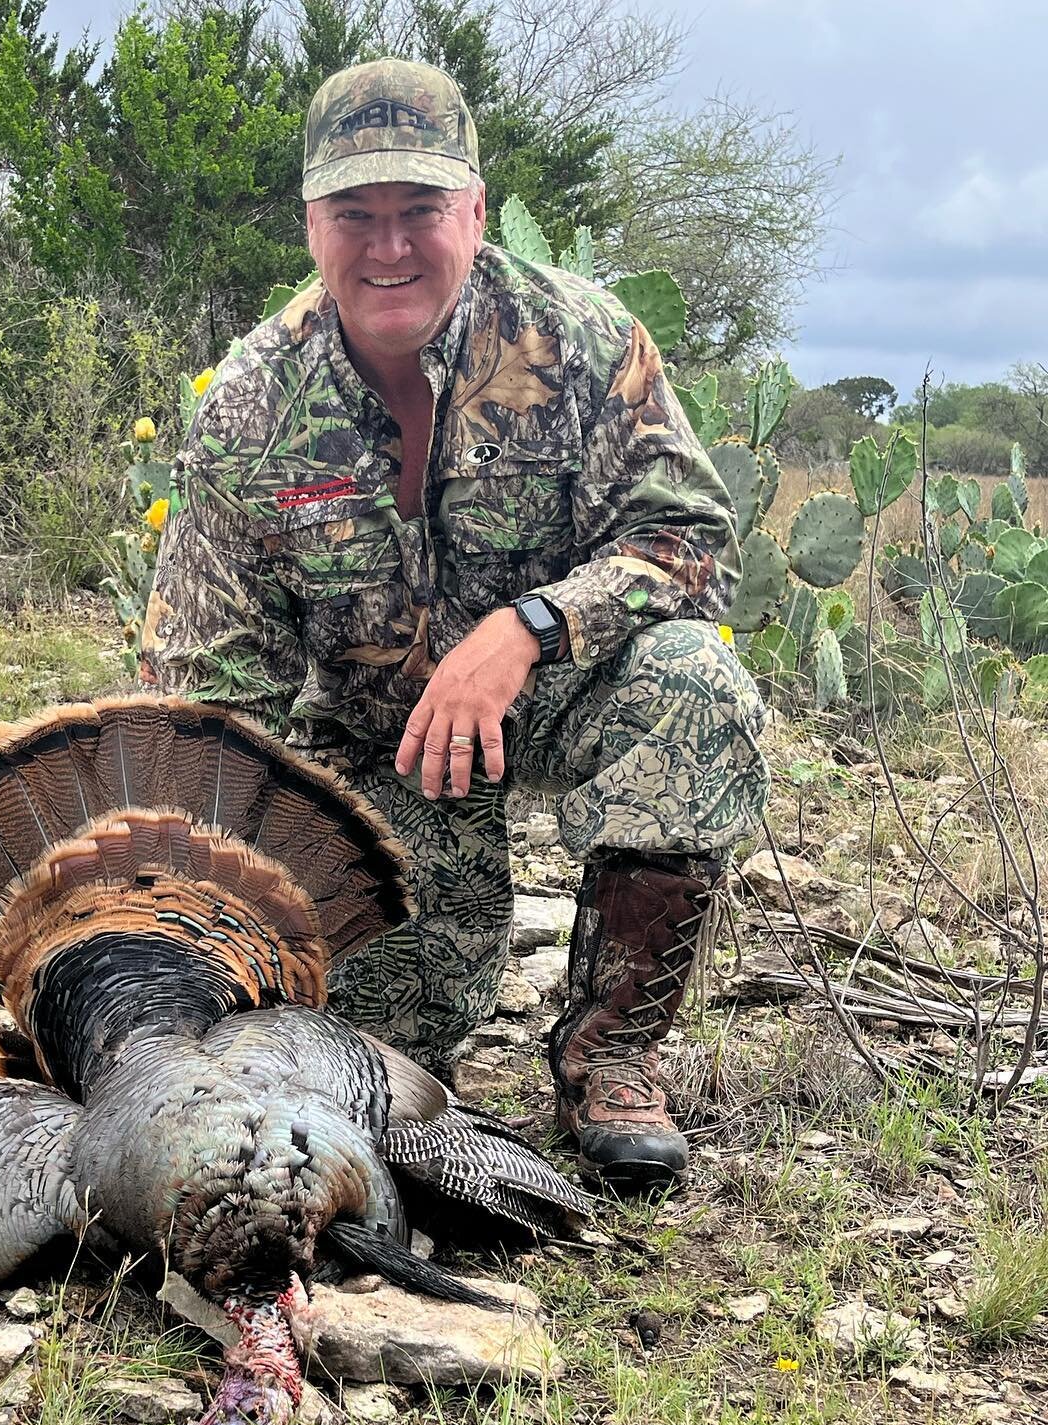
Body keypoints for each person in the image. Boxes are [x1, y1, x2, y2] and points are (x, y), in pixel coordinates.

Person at [143, 58, 769, 1193]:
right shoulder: (247, 404)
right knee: (375, 1084)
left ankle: (611, 1054)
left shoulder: (583, 340)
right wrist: (190, 919)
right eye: (356, 215)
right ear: (311, 226)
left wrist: (529, 626)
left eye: (420, 211)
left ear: (474, 211)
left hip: (545, 697)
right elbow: (201, 690)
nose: (389, 246)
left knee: (696, 683)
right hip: (370, 754)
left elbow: (694, 542)